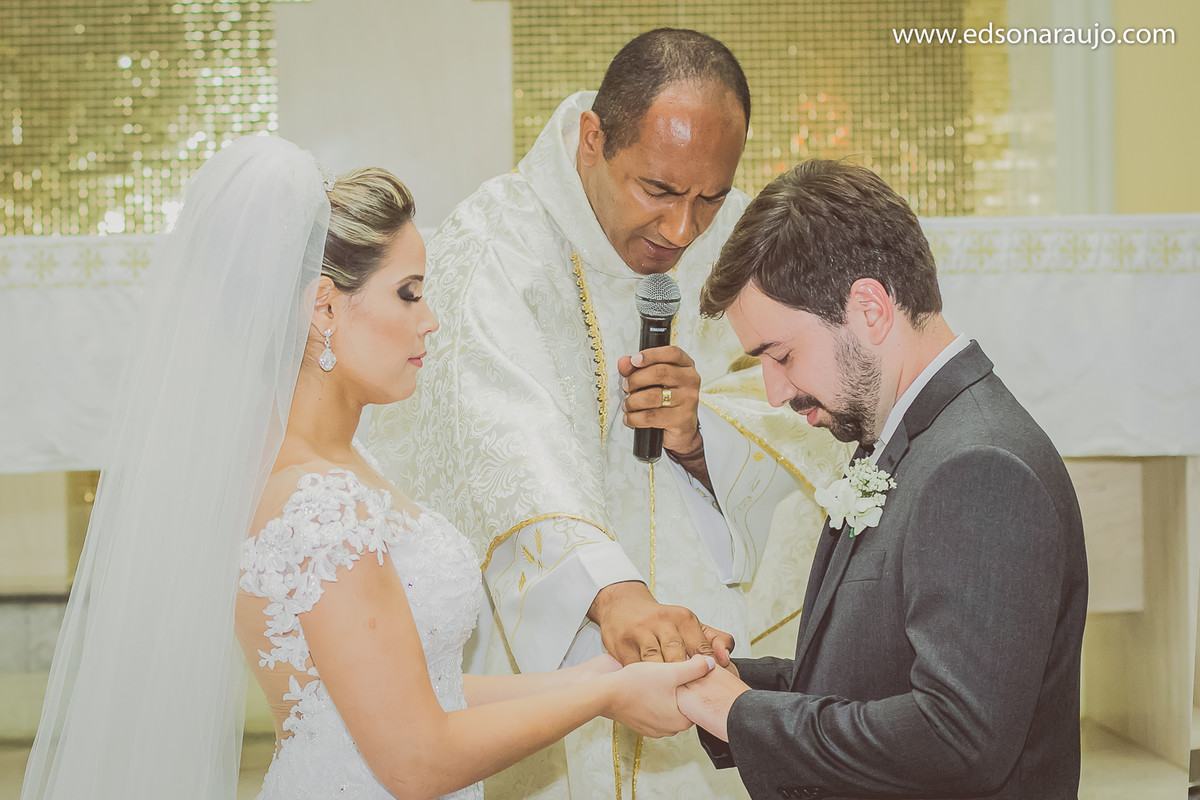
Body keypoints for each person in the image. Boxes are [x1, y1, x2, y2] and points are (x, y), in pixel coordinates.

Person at [20, 135, 720, 800]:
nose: (430, 321)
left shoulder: (336, 467)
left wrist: (601, 675)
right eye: (409, 293)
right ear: (324, 309)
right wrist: (602, 698)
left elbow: (417, 693)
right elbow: (417, 758)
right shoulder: (320, 504)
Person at [368, 27, 848, 800]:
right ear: (593, 137)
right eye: (657, 191)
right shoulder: (497, 246)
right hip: (555, 643)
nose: (680, 231)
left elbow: (794, 403)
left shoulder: (727, 237)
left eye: (709, 198)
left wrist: (700, 433)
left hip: (697, 635)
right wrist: (612, 592)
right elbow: (498, 438)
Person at [676, 159, 1089, 799]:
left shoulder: (980, 467)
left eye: (780, 355)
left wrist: (735, 712)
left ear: (870, 309)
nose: (774, 389)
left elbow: (956, 740)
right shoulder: (904, 438)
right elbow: (869, 681)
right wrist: (716, 680)